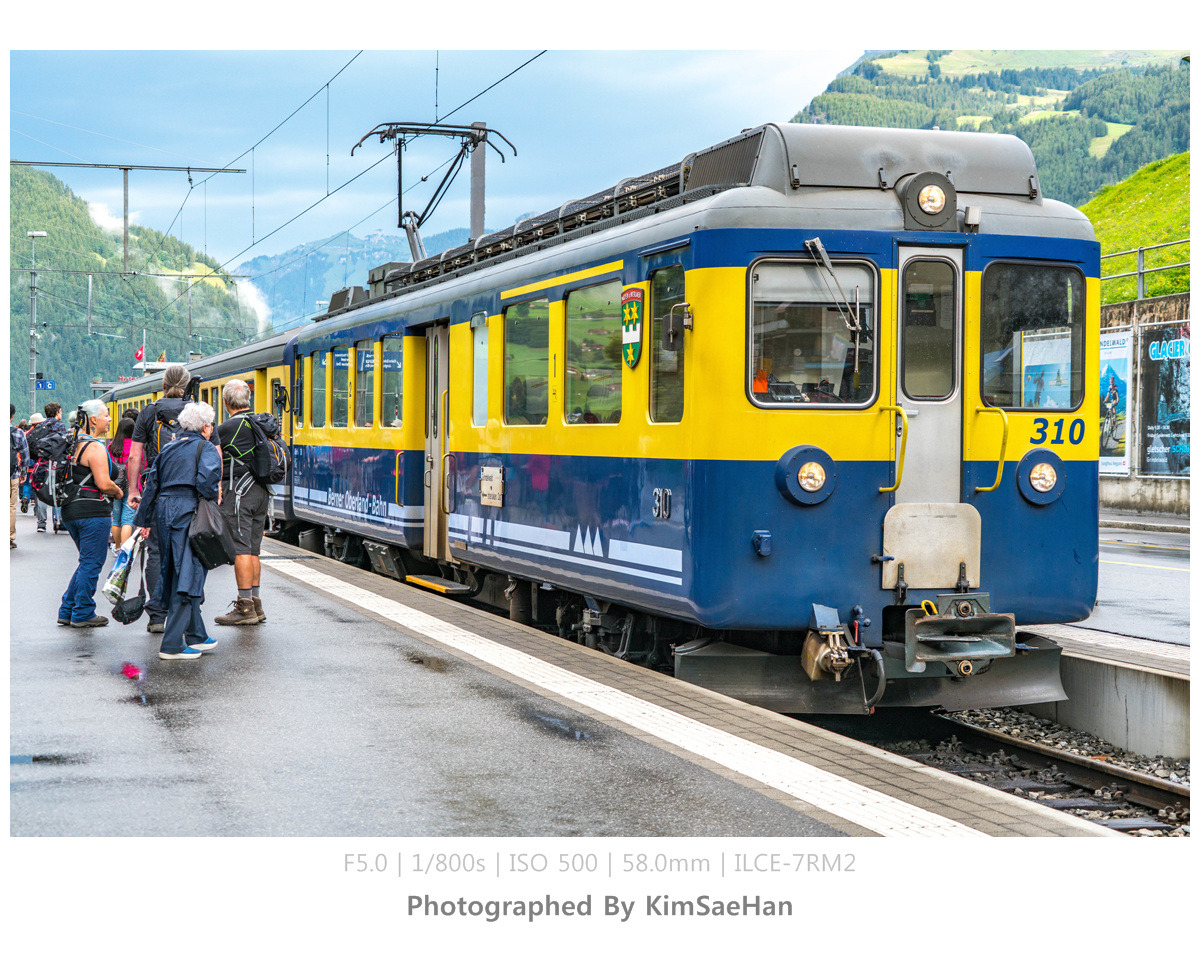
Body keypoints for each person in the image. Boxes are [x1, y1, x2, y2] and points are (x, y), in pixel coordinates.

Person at [132, 401, 221, 661]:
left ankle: (196, 634)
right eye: (211, 424)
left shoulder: (168, 447)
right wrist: (209, 498)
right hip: (188, 510)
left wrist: (143, 520)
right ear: (204, 427)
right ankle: (171, 645)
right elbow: (207, 482)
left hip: (164, 510)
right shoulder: (206, 448)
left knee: (172, 568)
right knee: (189, 573)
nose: (212, 428)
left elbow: (152, 485)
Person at [126, 365, 212, 633]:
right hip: (192, 494)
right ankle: (187, 612)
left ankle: (157, 616)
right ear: (186, 387)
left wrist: (133, 490)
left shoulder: (149, 412)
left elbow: (135, 455)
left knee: (156, 551)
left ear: (163, 386)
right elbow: (215, 453)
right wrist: (215, 491)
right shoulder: (198, 411)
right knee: (191, 551)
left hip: (158, 490)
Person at [57, 400, 123, 627]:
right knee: (92, 563)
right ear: (93, 419)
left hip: (70, 511)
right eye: (106, 415)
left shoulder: (72, 443)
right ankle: (83, 612)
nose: (110, 419)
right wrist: (118, 491)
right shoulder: (94, 447)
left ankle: (67, 609)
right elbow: (103, 483)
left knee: (86, 561)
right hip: (92, 512)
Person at [213, 379, 269, 625]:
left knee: (241, 549)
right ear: (248, 399)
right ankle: (256, 604)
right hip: (261, 491)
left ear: (226, 402)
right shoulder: (260, 423)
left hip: (239, 493)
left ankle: (245, 608)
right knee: (253, 549)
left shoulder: (226, 428)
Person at [27, 403, 67, 532]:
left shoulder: (40, 426)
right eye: (60, 411)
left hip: (41, 463)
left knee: (41, 490)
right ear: (57, 412)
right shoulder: (60, 426)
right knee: (58, 490)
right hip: (57, 463)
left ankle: (41, 524)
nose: (61, 413)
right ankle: (58, 520)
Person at [108, 407, 139, 547]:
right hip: (131, 483)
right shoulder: (135, 446)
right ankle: (125, 550)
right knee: (128, 518)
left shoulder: (112, 446)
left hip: (115, 484)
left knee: (116, 518)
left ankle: (117, 546)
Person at [10, 403, 30, 550]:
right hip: (12, 475)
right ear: (12, 416)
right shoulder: (17, 433)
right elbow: (25, 455)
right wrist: (23, 473)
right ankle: (9, 537)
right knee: (10, 506)